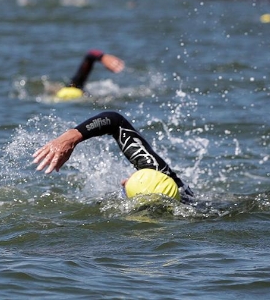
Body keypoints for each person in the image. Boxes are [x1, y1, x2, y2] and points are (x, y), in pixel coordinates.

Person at [32, 111, 194, 202]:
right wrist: (72, 136)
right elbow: (115, 122)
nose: (125, 181)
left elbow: (116, 120)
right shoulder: (163, 177)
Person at [54, 49, 125, 100]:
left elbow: (90, 55)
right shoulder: (73, 88)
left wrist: (103, 57)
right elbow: (90, 55)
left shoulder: (71, 88)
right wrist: (102, 57)